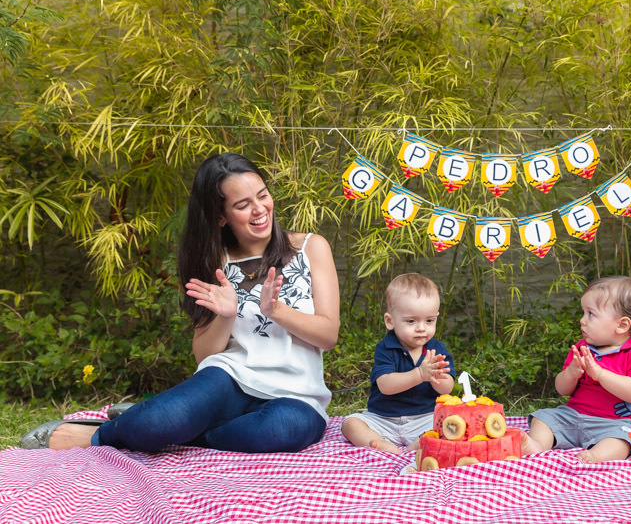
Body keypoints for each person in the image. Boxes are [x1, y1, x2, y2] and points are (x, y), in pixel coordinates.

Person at [21, 152, 340, 453]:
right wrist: (226, 316)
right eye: (243, 204)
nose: (260, 209)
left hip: (296, 394)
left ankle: (170, 432)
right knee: (163, 420)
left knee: (285, 429)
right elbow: (204, 354)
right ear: (220, 217)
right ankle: (100, 434)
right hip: (230, 378)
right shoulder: (216, 260)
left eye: (262, 195)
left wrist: (277, 311)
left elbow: (328, 335)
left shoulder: (311, 247)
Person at [522, 276, 631, 463]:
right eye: (583, 313)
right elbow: (562, 390)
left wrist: (600, 374)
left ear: (622, 324)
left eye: (590, 314)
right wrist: (571, 373)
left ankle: (595, 456)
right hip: (573, 417)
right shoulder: (583, 348)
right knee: (544, 417)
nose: (582, 321)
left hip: (614, 424)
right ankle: (536, 445)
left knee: (626, 437)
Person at [341, 273, 454, 454]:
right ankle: (376, 441)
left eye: (429, 320)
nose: (421, 328)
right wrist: (419, 374)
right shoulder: (386, 348)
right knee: (350, 424)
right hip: (383, 419)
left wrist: (435, 377)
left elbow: (447, 388)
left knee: (450, 423)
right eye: (411, 321)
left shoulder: (437, 349)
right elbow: (385, 385)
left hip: (424, 418)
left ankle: (421, 442)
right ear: (390, 321)